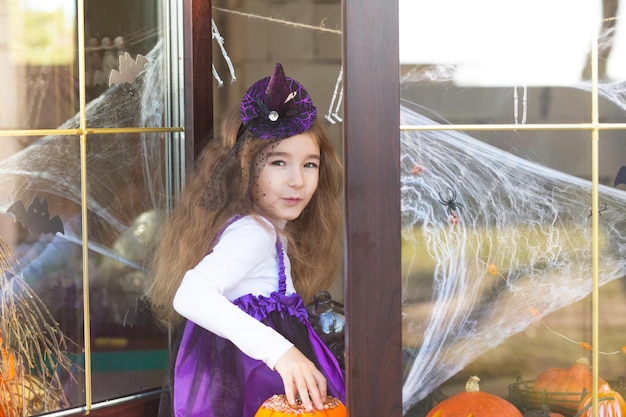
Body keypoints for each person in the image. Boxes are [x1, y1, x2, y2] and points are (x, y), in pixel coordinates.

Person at [145, 63, 345, 417]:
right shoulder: (254, 232)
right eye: (278, 163)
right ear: (244, 168)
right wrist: (280, 351)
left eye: (309, 165)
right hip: (257, 393)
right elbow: (191, 294)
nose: (297, 181)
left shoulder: (267, 228)